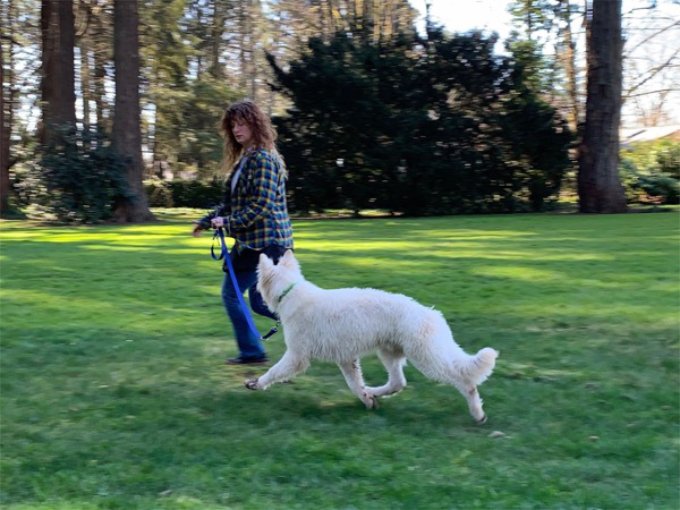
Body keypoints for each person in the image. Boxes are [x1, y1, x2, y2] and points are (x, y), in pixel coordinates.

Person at [192, 100, 293, 365]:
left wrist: (227, 223)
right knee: (249, 300)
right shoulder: (244, 160)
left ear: (255, 124)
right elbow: (231, 204)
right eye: (233, 125)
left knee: (246, 299)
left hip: (268, 242)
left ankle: (310, 323)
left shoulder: (263, 159)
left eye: (242, 124)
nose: (237, 130)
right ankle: (254, 352)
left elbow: (261, 206)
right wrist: (206, 221)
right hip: (250, 242)